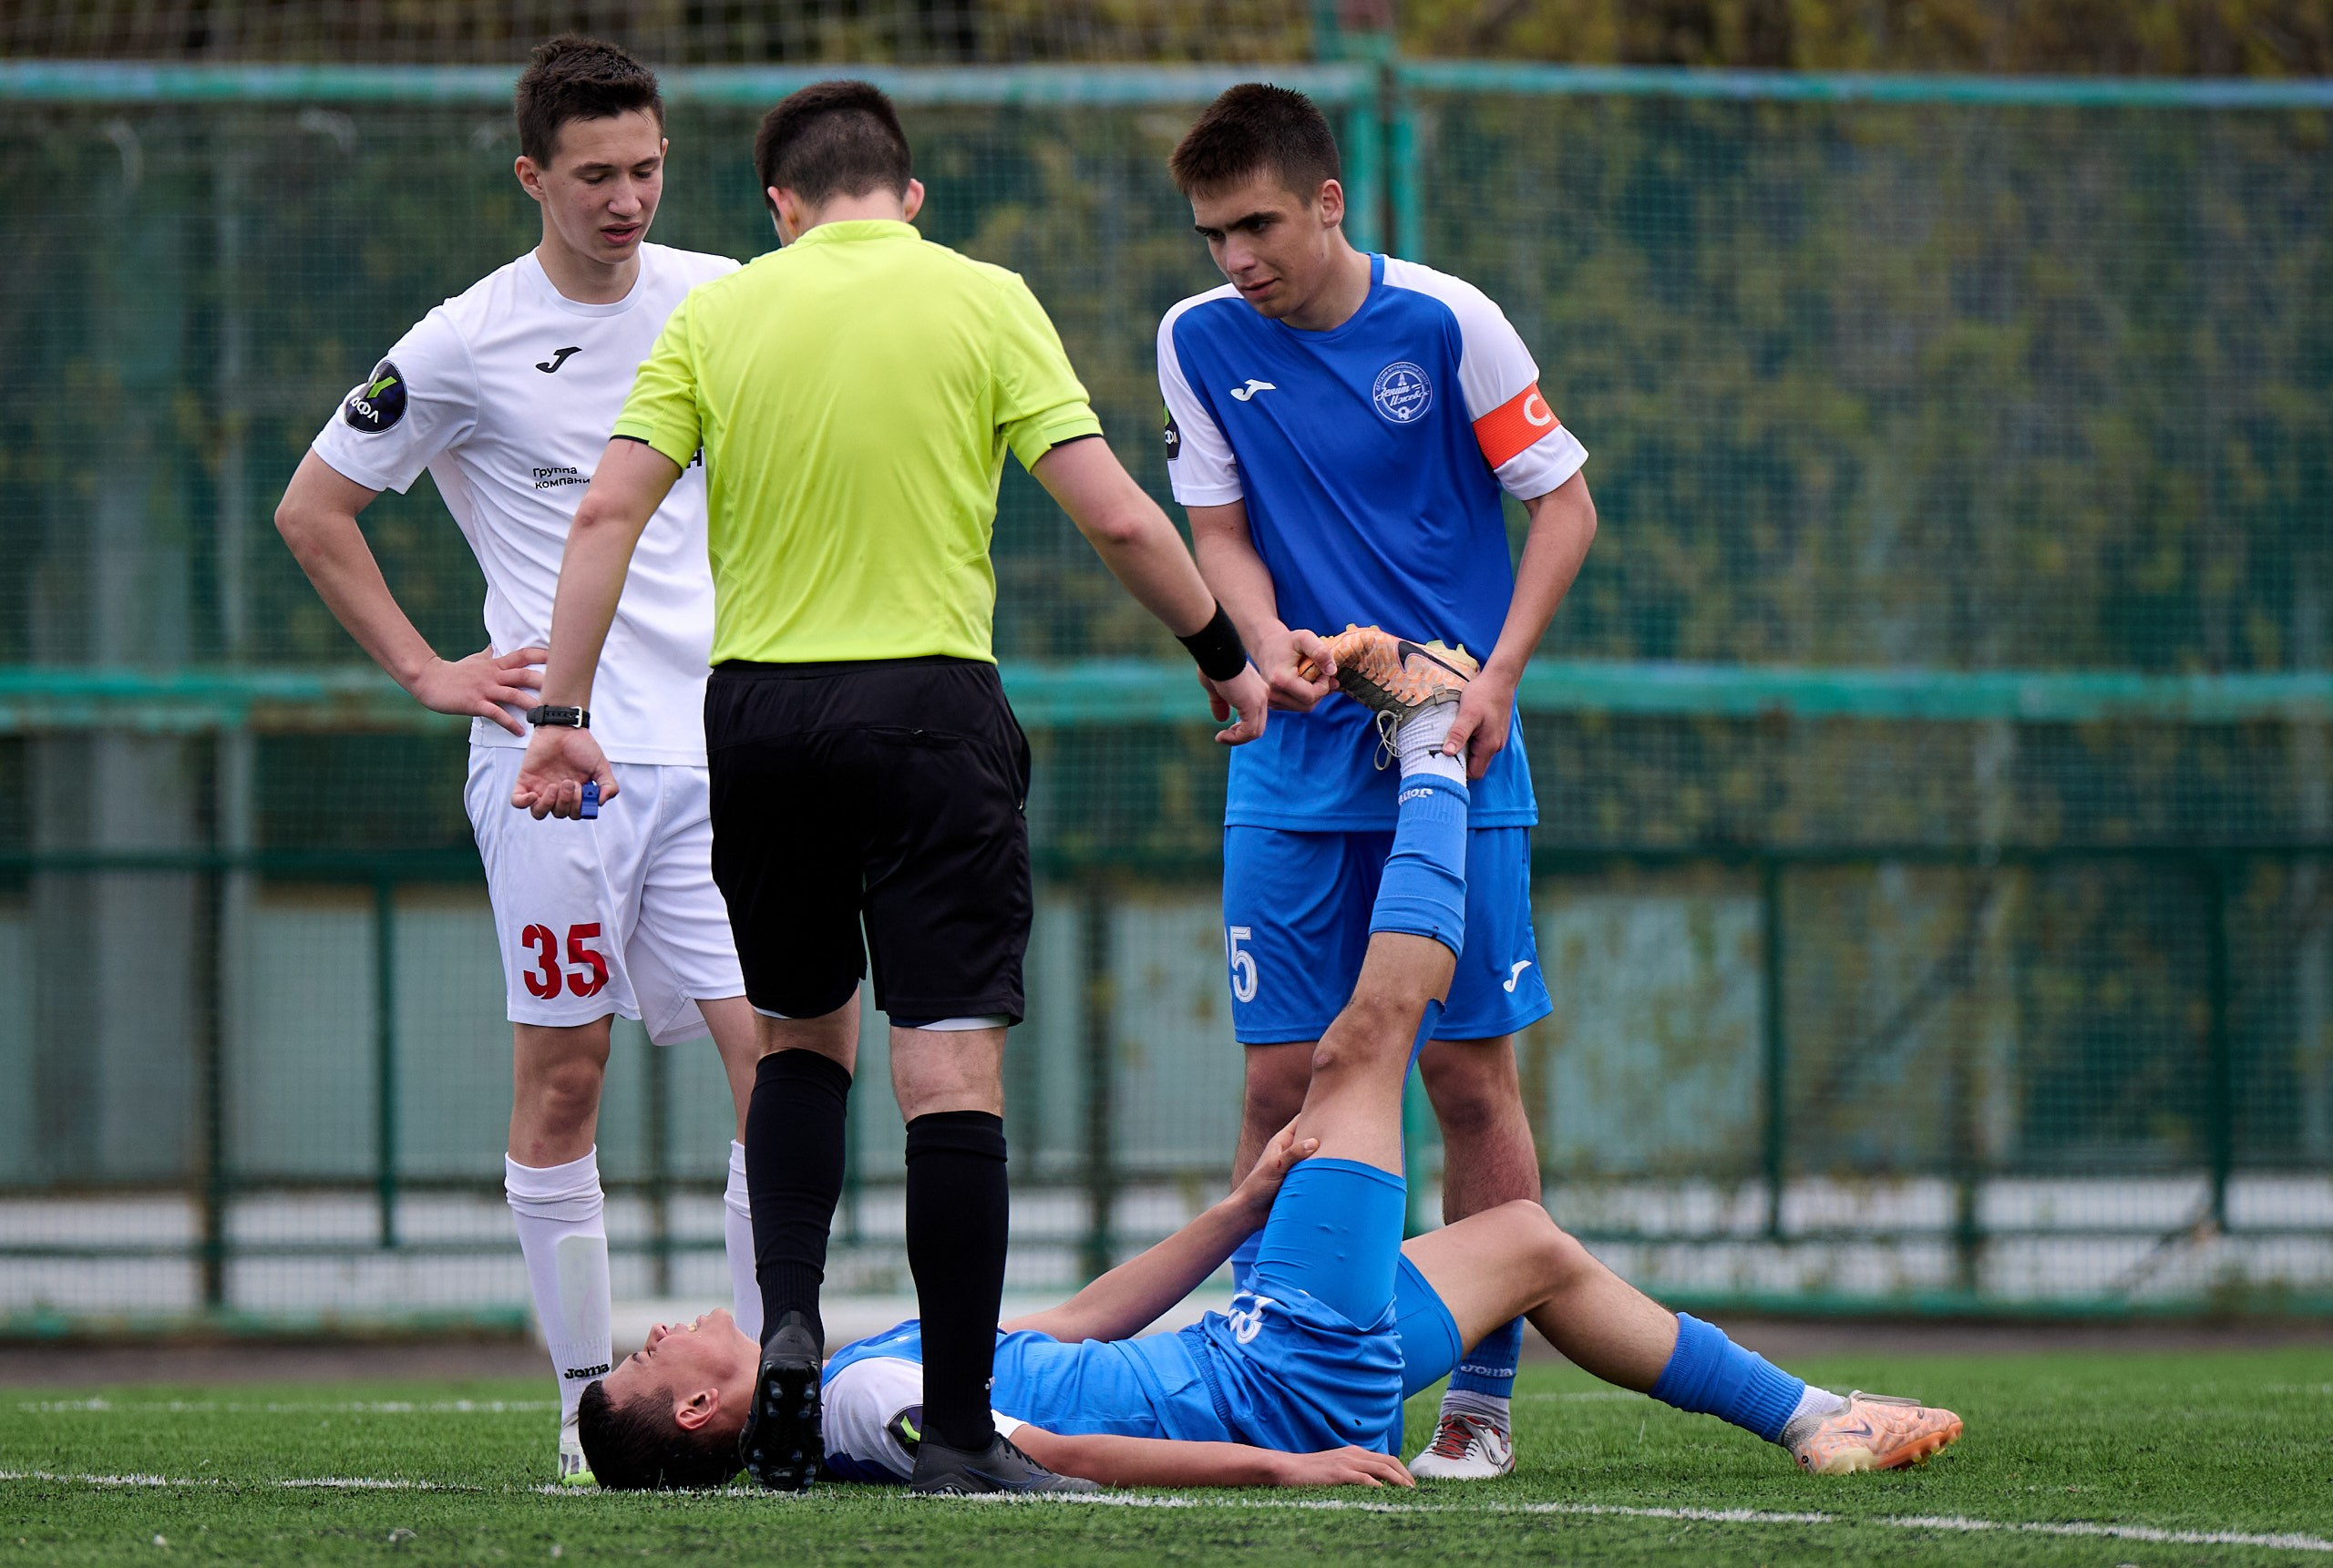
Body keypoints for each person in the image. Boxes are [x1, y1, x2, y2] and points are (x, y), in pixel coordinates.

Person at [577, 635, 1964, 1491]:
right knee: (1367, 1044)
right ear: (701, 1405)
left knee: (1528, 1240)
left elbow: (1077, 1325)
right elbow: (1060, 1456)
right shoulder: (870, 1406)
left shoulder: (862, 1387)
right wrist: (1279, 1464)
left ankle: (1811, 1420)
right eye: (653, 1359)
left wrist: (1233, 1218)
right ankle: (1432, 744)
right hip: (1282, 1377)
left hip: (1284, 1356)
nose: (666, 1328)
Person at [514, 80, 1273, 1497]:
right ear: (909, 197)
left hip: (759, 717)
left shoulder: (718, 314)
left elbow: (609, 508)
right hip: (930, 708)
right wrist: (1223, 653)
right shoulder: (983, 298)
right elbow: (1113, 508)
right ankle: (966, 1431)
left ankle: (786, 1314)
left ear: (781, 210)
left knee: (805, 1039)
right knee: (948, 1073)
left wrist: (562, 713)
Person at [271, 36, 766, 1487]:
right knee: (564, 1075)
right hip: (560, 769)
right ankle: (583, 1403)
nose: (626, 198)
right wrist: (431, 670)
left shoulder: (724, 297)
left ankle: (759, 1374)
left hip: (722, 758)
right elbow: (314, 512)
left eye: (648, 168)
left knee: (783, 1064)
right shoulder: (464, 338)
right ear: (533, 176)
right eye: (597, 174)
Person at [1153, 82, 1602, 1480]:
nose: (1237, 257)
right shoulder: (1195, 341)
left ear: (1330, 203)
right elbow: (1213, 528)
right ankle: (1263, 1362)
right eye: (1215, 232)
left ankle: (1481, 1397)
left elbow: (1565, 503)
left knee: (1468, 1077)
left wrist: (1499, 677)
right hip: (1289, 762)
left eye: (1260, 224)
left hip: (1450, 756)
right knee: (1282, 1077)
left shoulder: (1448, 322)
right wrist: (1255, 643)